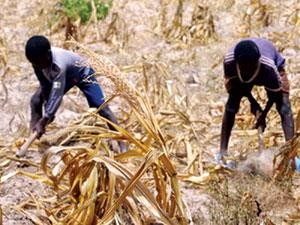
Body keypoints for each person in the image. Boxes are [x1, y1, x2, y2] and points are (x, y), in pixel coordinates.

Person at [25, 35, 126, 152]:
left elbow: (57, 94)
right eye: (34, 63)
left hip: (83, 73)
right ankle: (32, 139)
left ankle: (122, 143)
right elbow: (44, 84)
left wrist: (46, 116)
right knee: (35, 100)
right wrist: (48, 112)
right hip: (64, 78)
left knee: (101, 107)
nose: (37, 66)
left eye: (38, 62)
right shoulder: (37, 62)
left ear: (48, 54)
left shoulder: (59, 64)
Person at [217, 38, 295, 164]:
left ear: (257, 63)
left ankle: (291, 156)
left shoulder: (268, 68)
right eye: (244, 68)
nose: (248, 71)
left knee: (284, 107)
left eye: (251, 68)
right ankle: (222, 153)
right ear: (238, 64)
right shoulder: (230, 62)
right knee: (231, 105)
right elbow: (238, 89)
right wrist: (254, 104)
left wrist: (263, 115)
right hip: (243, 70)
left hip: (270, 66)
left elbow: (274, 97)